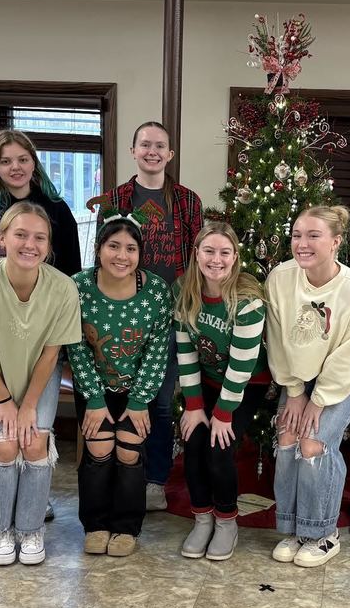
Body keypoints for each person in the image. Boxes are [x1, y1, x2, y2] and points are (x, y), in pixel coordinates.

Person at [0, 128, 81, 523]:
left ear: (34, 162)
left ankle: (34, 498)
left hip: (41, 341)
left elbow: (71, 274)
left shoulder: (56, 210)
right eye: (6, 161)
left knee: (35, 426)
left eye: (22, 159)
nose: (15, 167)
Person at [96, 121, 204, 511]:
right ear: (133, 151)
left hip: (170, 315)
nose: (152, 151)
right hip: (121, 314)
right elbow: (102, 255)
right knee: (118, 397)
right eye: (145, 144)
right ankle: (117, 474)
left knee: (158, 402)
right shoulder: (116, 199)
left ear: (170, 154)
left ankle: (154, 479)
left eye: (160, 145)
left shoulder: (188, 202)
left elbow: (198, 260)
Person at [265, 206, 350, 568]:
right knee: (286, 435)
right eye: (297, 235)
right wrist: (296, 393)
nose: (302, 243)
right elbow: (278, 340)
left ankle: (323, 533)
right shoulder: (281, 279)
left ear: (336, 242)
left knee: (313, 442)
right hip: (299, 370)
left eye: (314, 235)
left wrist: (319, 400)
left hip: (348, 372)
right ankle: (295, 529)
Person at [68, 213, 171, 557]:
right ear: (99, 250)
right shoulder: (78, 287)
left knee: (128, 449)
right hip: (93, 388)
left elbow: (157, 351)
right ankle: (96, 524)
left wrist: (140, 401)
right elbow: (76, 347)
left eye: (130, 248)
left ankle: (126, 526)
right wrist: (94, 399)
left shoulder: (155, 291)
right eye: (113, 246)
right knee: (98, 450)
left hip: (138, 391)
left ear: (140, 253)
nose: (121, 256)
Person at [175, 222, 270, 561]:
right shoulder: (184, 290)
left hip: (245, 384)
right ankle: (202, 518)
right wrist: (195, 406)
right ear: (196, 253)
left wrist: (223, 413)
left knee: (219, 446)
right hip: (206, 380)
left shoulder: (248, 298)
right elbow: (186, 352)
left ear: (235, 257)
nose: (216, 259)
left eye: (224, 252)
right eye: (209, 251)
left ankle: (227, 520)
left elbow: (243, 365)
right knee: (194, 440)